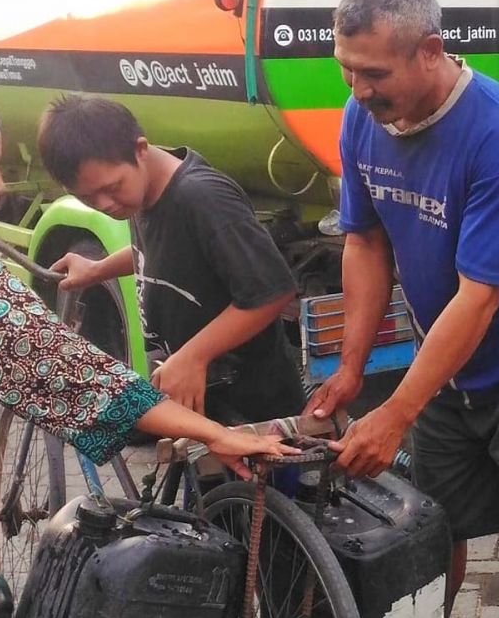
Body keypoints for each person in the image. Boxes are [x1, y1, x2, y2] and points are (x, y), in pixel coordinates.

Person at [0, 83, 297, 618]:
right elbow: (89, 383)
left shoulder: (195, 196)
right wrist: (215, 433)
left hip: (250, 387)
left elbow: (267, 290)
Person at [305, 0, 499, 618]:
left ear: (430, 51)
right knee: (435, 530)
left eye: (373, 72)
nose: (357, 88)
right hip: (442, 363)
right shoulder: (361, 117)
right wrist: (352, 368)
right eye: (346, 70)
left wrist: (395, 411)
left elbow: (482, 295)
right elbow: (367, 241)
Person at [38, 96, 304, 425]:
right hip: (196, 396)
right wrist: (97, 270)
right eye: (86, 197)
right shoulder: (141, 193)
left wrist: (194, 356)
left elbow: (272, 291)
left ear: (140, 149)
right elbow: (160, 253)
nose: (104, 204)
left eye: (111, 188)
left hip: (252, 406)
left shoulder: (202, 198)